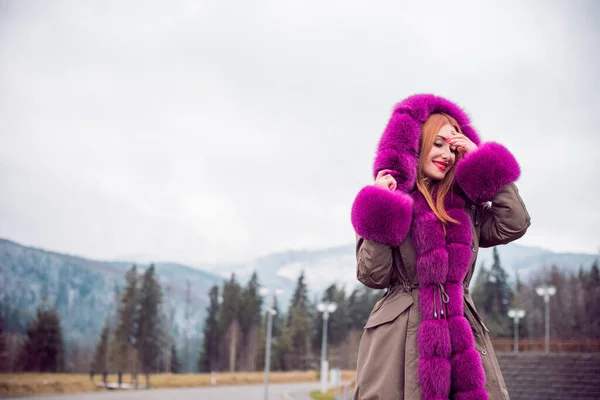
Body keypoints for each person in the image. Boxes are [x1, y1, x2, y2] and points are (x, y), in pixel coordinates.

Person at [350, 94, 530, 400]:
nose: (446, 154)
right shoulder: (387, 200)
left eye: (453, 147)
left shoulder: (467, 208)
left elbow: (514, 223)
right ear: (417, 145)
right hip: (401, 340)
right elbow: (372, 275)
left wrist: (483, 162)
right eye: (438, 143)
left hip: (461, 334)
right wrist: (383, 205)